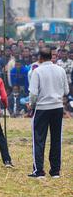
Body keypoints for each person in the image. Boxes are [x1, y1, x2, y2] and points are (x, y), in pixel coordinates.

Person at [28, 47, 69, 179]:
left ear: (40, 58)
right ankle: (55, 171)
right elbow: (66, 91)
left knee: (39, 139)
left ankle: (39, 171)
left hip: (42, 108)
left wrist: (32, 105)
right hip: (57, 107)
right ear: (51, 56)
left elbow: (33, 94)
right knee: (56, 139)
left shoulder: (37, 71)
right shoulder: (61, 70)